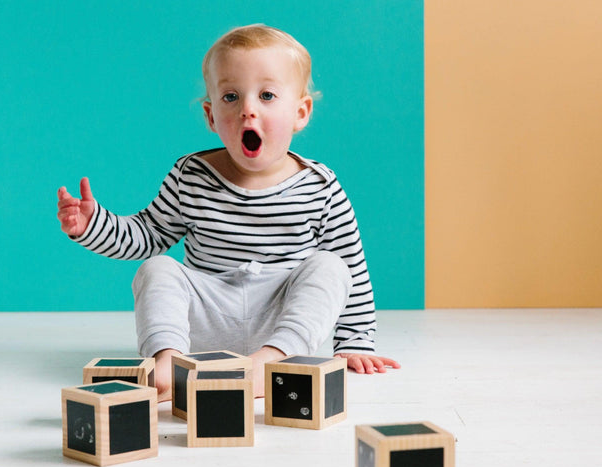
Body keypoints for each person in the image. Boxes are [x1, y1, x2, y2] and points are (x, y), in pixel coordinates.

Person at [57, 24, 399, 400]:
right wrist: (92, 225)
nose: (247, 110)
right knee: (157, 268)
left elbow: (351, 268)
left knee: (331, 267)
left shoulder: (320, 187)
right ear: (211, 115)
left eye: (267, 95)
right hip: (207, 318)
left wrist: (355, 343)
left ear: (300, 113)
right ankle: (168, 362)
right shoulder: (191, 176)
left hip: (282, 323)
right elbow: (147, 235)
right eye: (231, 96)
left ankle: (269, 362)